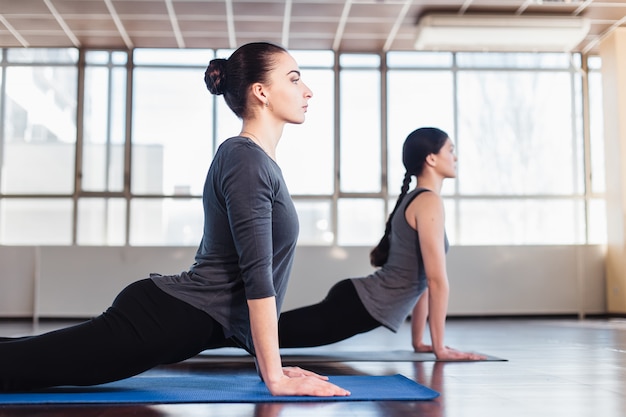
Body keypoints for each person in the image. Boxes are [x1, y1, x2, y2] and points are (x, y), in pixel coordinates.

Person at [0, 41, 350, 397]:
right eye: (293, 80)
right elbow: (257, 275)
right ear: (261, 92)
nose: (307, 91)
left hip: (176, 318)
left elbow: (257, 279)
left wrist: (270, 366)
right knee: (17, 368)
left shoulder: (258, 162)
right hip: (163, 320)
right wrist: (273, 376)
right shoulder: (245, 160)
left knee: (24, 356)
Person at [278, 127, 485, 361]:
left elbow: (424, 284)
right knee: (261, 335)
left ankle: (228, 330)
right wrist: (440, 350)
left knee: (264, 333)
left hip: (359, 300)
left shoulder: (419, 198)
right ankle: (227, 329)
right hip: (360, 304)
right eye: (451, 150)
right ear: (431, 158)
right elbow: (437, 281)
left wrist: (419, 343)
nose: (455, 157)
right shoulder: (428, 201)